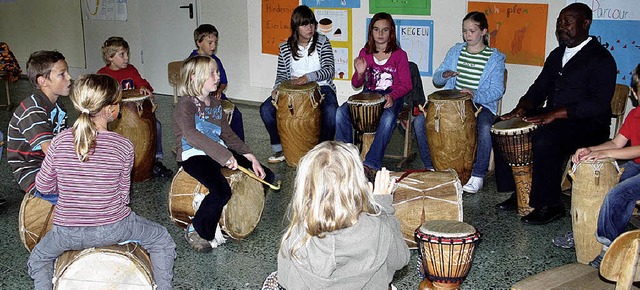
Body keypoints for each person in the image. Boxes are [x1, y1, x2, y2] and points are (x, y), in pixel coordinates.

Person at [27, 74, 176, 290]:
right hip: (113, 227)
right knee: (161, 239)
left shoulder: (58, 142)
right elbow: (123, 196)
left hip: (66, 232)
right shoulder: (123, 145)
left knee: (39, 258)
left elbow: (43, 187)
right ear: (110, 110)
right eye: (118, 102)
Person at [494, 3, 617, 225]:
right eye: (559, 22)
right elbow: (539, 87)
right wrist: (521, 107)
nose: (562, 27)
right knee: (501, 128)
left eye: (567, 22)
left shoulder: (601, 58)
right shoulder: (557, 54)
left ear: (585, 23)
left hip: (589, 125)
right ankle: (521, 192)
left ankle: (550, 204)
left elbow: (597, 103)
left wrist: (555, 114)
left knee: (545, 138)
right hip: (556, 117)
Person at [174, 55, 276, 252]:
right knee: (221, 191)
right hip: (193, 155)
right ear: (194, 77)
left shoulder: (215, 105)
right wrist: (224, 156)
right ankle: (196, 228)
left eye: (217, 72)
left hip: (218, 151)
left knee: (266, 176)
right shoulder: (185, 105)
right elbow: (192, 135)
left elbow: (228, 135)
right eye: (211, 73)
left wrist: (250, 156)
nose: (217, 76)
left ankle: (239, 212)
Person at [277, 141, 410, 289]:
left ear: (305, 191)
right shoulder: (378, 229)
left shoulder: (296, 237)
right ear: (359, 187)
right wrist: (382, 207)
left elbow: (284, 281)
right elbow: (401, 259)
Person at [557, 64, 640, 268]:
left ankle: (607, 246)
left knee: (618, 194)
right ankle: (585, 233)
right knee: (602, 189)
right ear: (635, 93)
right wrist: (591, 150)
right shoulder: (634, 115)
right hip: (637, 166)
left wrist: (606, 153)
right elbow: (615, 143)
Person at [412, 11, 505, 194]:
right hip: (451, 102)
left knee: (485, 126)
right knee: (419, 122)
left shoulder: (495, 58)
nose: (467, 35)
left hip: (480, 103)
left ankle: (477, 175)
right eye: (464, 31)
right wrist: (444, 75)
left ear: (484, 32)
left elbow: (497, 91)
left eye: (472, 31)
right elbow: (438, 79)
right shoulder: (456, 51)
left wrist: (474, 94)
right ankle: (432, 167)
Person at [335, 12, 412, 181]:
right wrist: (360, 72)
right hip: (369, 94)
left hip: (393, 95)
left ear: (391, 32)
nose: (380, 34)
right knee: (341, 112)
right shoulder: (365, 52)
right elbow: (356, 84)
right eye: (376, 30)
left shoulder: (400, 55)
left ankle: (371, 164)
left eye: (385, 30)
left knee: (387, 118)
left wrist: (393, 96)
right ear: (371, 32)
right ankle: (345, 158)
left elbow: (407, 84)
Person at [260, 5, 338, 164]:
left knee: (331, 111)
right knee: (266, 109)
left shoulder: (323, 42)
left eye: (312, 23)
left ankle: (323, 151)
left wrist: (308, 77)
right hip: (292, 89)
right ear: (296, 27)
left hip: (321, 86)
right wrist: (276, 89)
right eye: (305, 24)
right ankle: (280, 148)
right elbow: (281, 74)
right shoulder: (285, 47)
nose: (310, 28)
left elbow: (329, 70)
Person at [97, 36, 173, 178]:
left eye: (127, 54)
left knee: (156, 125)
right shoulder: (103, 74)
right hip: (114, 116)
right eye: (122, 55)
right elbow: (99, 96)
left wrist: (144, 87)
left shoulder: (131, 70)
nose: (126, 58)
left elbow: (142, 83)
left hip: (135, 115)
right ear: (110, 57)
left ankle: (155, 160)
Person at [7, 51, 70, 200]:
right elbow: (51, 150)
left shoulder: (58, 107)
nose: (69, 78)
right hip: (31, 171)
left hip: (48, 166)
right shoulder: (33, 110)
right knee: (74, 197)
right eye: (62, 74)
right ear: (43, 81)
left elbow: (64, 142)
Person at [189, 24, 245, 141]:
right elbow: (188, 85)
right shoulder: (192, 62)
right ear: (199, 42)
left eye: (215, 42)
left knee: (236, 114)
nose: (213, 46)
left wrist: (219, 90)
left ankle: (239, 147)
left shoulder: (216, 60)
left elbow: (223, 82)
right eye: (210, 43)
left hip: (216, 97)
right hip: (198, 98)